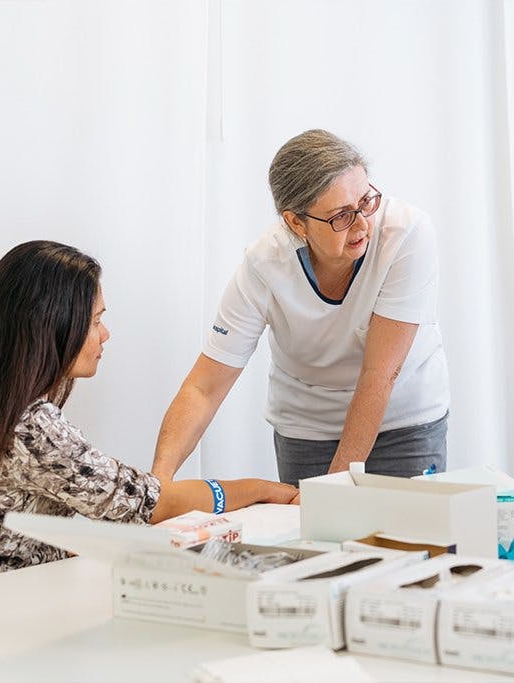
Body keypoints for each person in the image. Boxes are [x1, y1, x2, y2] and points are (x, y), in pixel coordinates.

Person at [0, 241, 297, 590]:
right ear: (54, 325)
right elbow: (147, 503)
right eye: (95, 321)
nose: (105, 334)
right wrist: (265, 490)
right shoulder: (31, 426)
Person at [151, 130, 450, 486]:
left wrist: (334, 491)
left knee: (406, 538)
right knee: (313, 539)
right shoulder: (265, 264)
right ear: (295, 222)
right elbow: (205, 388)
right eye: (341, 215)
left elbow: (379, 375)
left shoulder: (406, 234)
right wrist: (156, 485)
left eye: (366, 201)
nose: (362, 224)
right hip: (308, 429)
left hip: (404, 422)